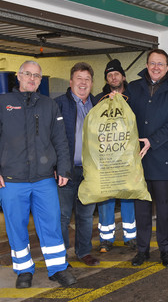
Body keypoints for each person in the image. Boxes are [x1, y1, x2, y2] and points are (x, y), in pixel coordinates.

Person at [0, 61, 76, 288]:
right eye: (28, 74)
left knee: (51, 224)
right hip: (12, 180)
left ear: (40, 81)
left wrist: (63, 168)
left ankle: (57, 268)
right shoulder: (3, 103)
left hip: (44, 179)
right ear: (19, 77)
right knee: (16, 225)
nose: (32, 79)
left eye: (36, 76)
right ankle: (23, 270)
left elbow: (60, 140)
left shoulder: (49, 105)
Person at [126, 49, 168, 267]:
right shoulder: (133, 87)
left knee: (162, 207)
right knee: (141, 208)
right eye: (152, 63)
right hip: (138, 158)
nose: (156, 67)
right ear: (147, 64)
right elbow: (125, 116)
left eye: (161, 64)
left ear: (167, 67)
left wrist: (152, 140)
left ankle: (165, 250)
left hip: (162, 157)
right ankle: (142, 250)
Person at [55, 62, 100, 266]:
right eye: (79, 78)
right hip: (65, 171)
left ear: (92, 83)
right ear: (71, 81)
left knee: (85, 215)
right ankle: (61, 255)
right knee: (62, 216)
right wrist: (55, 167)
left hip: (90, 171)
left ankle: (83, 252)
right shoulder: (57, 104)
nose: (83, 83)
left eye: (87, 79)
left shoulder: (99, 105)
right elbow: (50, 139)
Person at [95, 59, 137, 253]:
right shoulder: (99, 99)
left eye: (116, 74)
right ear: (106, 79)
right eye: (109, 75)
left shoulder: (134, 97)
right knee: (107, 198)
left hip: (129, 157)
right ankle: (106, 238)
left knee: (128, 196)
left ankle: (131, 236)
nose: (113, 77)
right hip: (106, 159)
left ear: (123, 77)